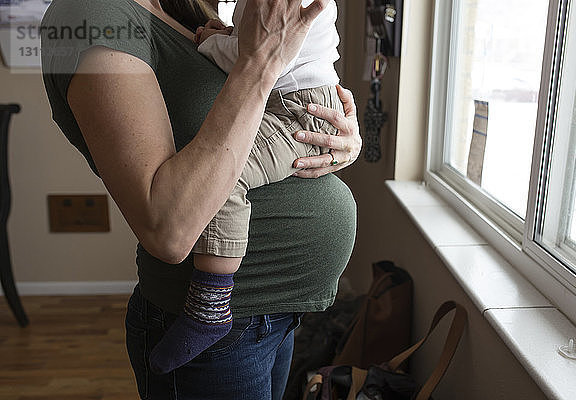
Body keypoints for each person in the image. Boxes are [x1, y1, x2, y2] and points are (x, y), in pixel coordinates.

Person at [40, 0, 361, 398]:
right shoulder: (89, 16)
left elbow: (257, 114)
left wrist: (339, 138)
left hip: (274, 314)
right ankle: (209, 307)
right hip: (219, 331)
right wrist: (259, 62)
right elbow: (167, 231)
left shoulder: (187, 9)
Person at [148, 0, 345, 374]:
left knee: (225, 177)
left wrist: (209, 42)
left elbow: (260, 57)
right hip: (293, 103)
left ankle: (210, 305)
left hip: (299, 109)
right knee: (217, 171)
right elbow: (255, 50)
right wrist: (225, 37)